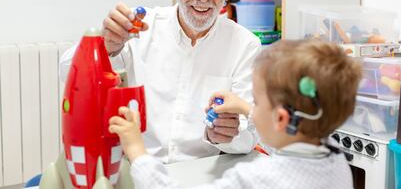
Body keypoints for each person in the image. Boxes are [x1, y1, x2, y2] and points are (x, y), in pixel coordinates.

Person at [59, 0, 261, 163]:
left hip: (199, 174)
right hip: (137, 167)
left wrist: (226, 137)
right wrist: (105, 46)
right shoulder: (140, 28)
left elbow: (251, 135)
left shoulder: (245, 45)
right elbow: (67, 73)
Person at [108, 39, 362, 188]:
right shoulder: (334, 157)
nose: (254, 106)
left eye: (257, 101)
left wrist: (137, 152)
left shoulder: (254, 179)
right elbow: (289, 142)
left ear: (281, 119)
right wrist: (246, 108)